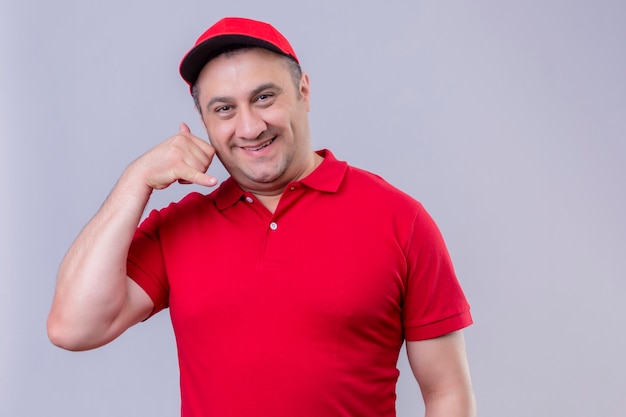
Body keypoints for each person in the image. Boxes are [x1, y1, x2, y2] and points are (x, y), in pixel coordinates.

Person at [47, 16, 476, 417]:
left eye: (264, 98)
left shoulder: (400, 220)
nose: (250, 127)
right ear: (204, 122)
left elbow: (446, 392)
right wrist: (135, 180)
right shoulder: (177, 228)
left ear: (304, 92)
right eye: (224, 109)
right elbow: (73, 328)